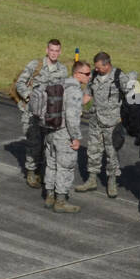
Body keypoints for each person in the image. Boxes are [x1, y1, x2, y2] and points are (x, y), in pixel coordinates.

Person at [76, 52, 132, 198]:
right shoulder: (94, 75)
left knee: (112, 154)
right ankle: (92, 180)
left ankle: (112, 182)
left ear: (107, 65)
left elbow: (133, 97)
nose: (96, 69)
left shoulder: (120, 77)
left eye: (99, 67)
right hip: (95, 121)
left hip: (113, 124)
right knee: (93, 151)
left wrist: (126, 117)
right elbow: (88, 94)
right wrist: (75, 104)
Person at [14, 40, 68, 188]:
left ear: (60, 52)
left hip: (50, 114)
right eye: (52, 50)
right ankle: (31, 172)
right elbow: (20, 83)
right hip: (32, 114)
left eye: (57, 51)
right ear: (47, 50)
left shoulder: (62, 70)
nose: (54, 53)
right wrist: (29, 97)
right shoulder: (35, 65)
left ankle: (41, 171)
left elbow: (63, 90)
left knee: (48, 145)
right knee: (34, 142)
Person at [43, 61, 91, 213]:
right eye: (87, 74)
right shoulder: (75, 91)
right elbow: (71, 117)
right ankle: (61, 202)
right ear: (77, 74)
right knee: (65, 167)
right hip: (64, 135)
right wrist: (75, 137)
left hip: (50, 131)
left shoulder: (60, 84)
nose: (89, 77)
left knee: (52, 165)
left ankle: (50, 196)